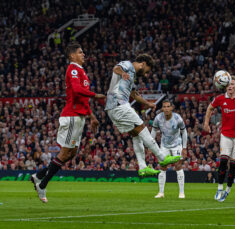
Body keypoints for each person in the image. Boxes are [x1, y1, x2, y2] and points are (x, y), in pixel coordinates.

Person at [30, 42, 106, 203]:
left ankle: (39, 176)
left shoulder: (82, 71)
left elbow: (82, 98)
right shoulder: (72, 69)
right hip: (71, 116)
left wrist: (91, 116)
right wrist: (95, 95)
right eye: (80, 52)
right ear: (72, 56)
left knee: (71, 153)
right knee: (65, 152)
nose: (83, 54)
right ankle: (42, 184)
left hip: (79, 117)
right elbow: (77, 91)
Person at [105, 54, 181, 177]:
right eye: (147, 71)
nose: (146, 74)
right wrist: (122, 73)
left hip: (113, 108)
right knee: (142, 128)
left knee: (136, 135)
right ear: (143, 64)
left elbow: (134, 95)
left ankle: (142, 167)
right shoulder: (127, 65)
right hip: (118, 104)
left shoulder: (132, 77)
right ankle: (162, 157)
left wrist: (148, 104)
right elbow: (115, 68)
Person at [152, 100, 188, 199]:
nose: (166, 109)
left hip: (177, 145)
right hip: (164, 145)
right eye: (164, 107)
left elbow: (184, 132)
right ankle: (161, 193)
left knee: (178, 165)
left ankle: (181, 193)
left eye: (168, 106)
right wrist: (151, 145)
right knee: (162, 166)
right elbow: (154, 130)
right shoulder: (158, 118)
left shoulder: (178, 118)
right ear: (162, 108)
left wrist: (184, 148)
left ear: (172, 108)